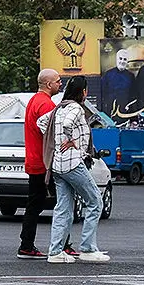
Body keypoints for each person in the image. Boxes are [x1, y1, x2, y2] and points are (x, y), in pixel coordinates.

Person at [37, 76, 109, 264]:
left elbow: (41, 122)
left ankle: (55, 251)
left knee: (63, 208)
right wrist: (72, 141)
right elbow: (69, 124)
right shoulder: (76, 108)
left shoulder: (59, 108)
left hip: (57, 165)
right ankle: (87, 248)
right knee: (95, 202)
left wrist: (57, 139)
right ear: (83, 91)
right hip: (73, 163)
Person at [18, 69, 78, 260]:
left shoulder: (33, 101)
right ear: (49, 84)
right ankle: (60, 245)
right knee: (63, 202)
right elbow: (53, 134)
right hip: (45, 162)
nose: (61, 85)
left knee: (35, 204)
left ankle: (27, 245)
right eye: (58, 82)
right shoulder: (45, 105)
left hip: (35, 160)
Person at [98, 45, 136, 119]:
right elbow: (102, 95)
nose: (122, 61)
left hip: (125, 113)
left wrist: (133, 119)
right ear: (116, 59)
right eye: (120, 58)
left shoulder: (131, 76)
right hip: (109, 113)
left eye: (125, 59)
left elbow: (133, 98)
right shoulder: (108, 75)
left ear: (127, 61)